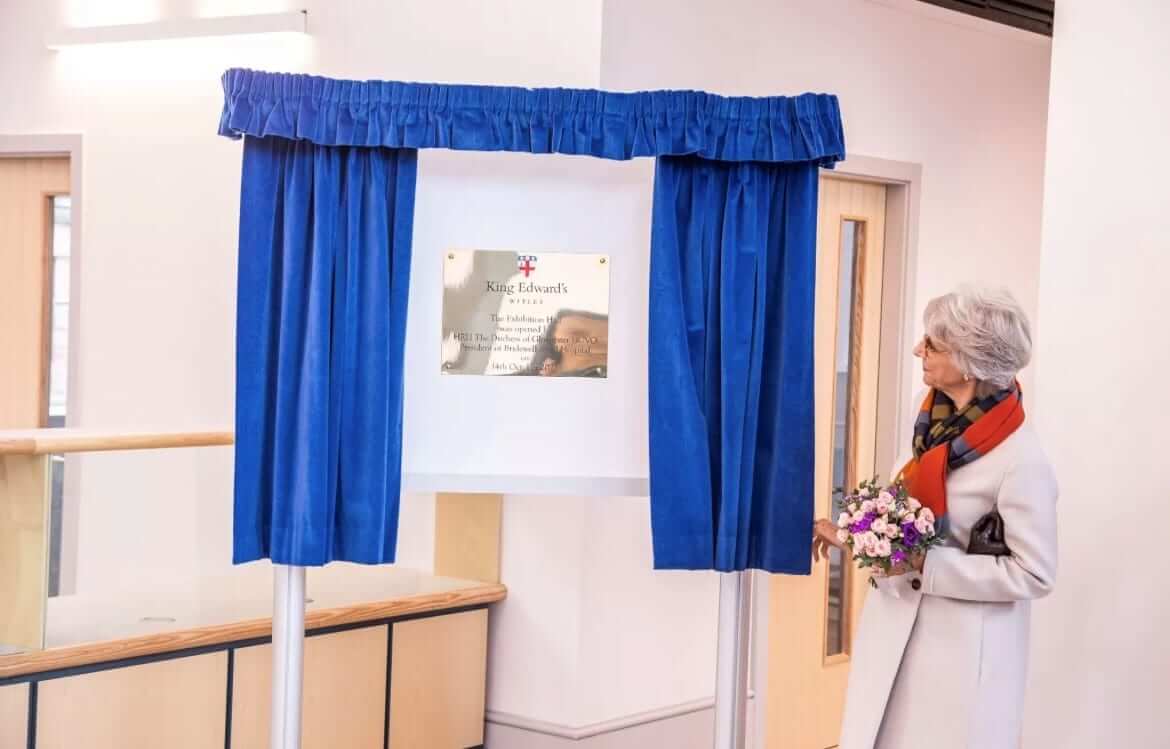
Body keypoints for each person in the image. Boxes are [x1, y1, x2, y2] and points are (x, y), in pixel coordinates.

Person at [812, 285, 1058, 749]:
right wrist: (854, 535)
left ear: (970, 360)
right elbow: (907, 520)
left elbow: (1034, 574)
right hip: (892, 629)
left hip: (957, 658)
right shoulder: (927, 417)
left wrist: (927, 565)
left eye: (932, 344)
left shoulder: (1022, 461)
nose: (916, 350)